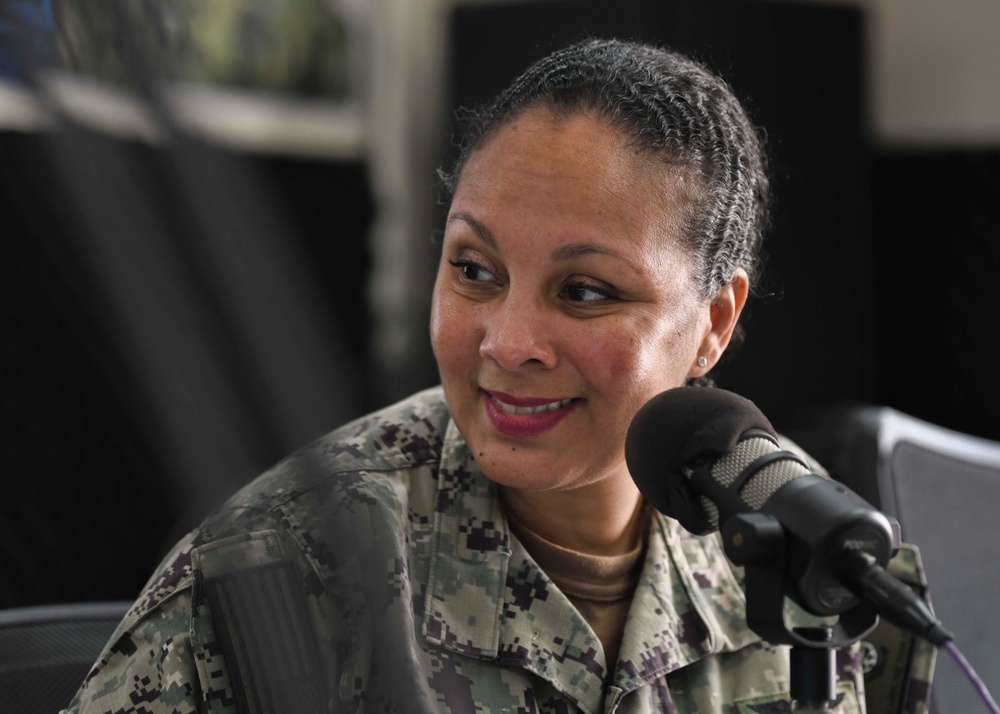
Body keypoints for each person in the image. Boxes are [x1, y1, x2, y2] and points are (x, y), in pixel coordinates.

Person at [62, 38, 932, 714]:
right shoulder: (284, 564)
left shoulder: (799, 558)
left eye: (584, 292)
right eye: (475, 270)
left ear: (713, 324)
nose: (509, 341)